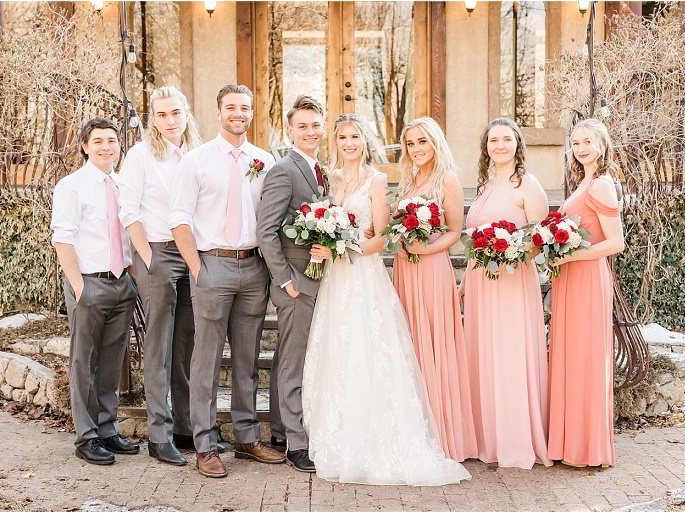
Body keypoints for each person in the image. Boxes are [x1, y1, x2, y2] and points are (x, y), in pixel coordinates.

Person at [302, 114, 471, 485]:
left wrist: (341, 247)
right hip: (334, 278)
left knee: (369, 350)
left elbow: (381, 238)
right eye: (342, 137)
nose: (349, 143)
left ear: (366, 140)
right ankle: (339, 432)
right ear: (335, 142)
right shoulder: (328, 179)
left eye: (355, 136)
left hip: (364, 273)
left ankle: (380, 437)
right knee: (338, 349)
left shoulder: (378, 180)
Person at [169, 84, 283, 478]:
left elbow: (271, 218)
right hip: (212, 265)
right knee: (207, 360)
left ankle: (247, 438)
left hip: (253, 268)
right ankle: (204, 444)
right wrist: (197, 269)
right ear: (218, 112)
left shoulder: (265, 161)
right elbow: (179, 220)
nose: (238, 113)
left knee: (247, 360)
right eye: (231, 107)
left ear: (252, 112)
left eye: (245, 107)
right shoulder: (196, 161)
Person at [459, 117, 552, 469]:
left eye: (506, 139)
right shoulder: (484, 186)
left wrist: (510, 253)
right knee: (484, 352)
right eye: (493, 140)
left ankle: (514, 439)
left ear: (517, 145)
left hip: (512, 281)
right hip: (481, 282)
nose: (499, 146)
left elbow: (539, 239)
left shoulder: (527, 185)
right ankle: (487, 437)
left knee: (510, 353)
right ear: (486, 147)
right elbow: (474, 240)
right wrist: (464, 283)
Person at [118, 86, 204, 466]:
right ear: (153, 118)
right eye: (162, 114)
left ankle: (184, 427)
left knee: (185, 344)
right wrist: (149, 260)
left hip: (193, 254)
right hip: (158, 253)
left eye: (175, 113)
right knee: (158, 347)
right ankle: (158, 435)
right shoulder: (141, 156)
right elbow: (128, 211)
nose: (170, 121)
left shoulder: (197, 154)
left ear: (186, 113)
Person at [51, 118, 139, 465]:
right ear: (85, 146)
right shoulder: (71, 186)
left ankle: (107, 429)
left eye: (111, 140)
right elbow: (63, 238)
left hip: (121, 283)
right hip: (89, 283)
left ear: (119, 146)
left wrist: (132, 280)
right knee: (84, 362)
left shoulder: (123, 185)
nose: (106, 147)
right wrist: (79, 286)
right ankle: (86, 437)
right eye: (98, 141)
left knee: (111, 361)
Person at [391, 117, 477, 462]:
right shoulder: (408, 181)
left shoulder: (447, 180)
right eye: (411, 143)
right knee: (410, 341)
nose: (416, 149)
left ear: (435, 142)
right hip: (404, 269)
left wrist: (423, 249)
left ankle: (441, 432)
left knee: (433, 343)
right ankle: (414, 427)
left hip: (430, 269)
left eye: (422, 141)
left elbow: (455, 232)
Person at [547, 118, 624, 468]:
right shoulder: (584, 182)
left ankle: (589, 449)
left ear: (602, 145)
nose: (580, 148)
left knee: (586, 357)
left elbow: (615, 242)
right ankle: (570, 444)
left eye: (587, 142)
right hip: (570, 277)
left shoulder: (602, 185)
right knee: (570, 356)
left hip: (588, 278)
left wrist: (572, 256)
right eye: (576, 143)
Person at [257, 95, 328, 473]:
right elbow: (266, 231)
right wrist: (286, 280)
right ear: (290, 130)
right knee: (293, 362)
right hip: (296, 284)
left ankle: (281, 432)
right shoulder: (283, 170)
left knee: (292, 357)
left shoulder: (319, 170)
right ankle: (297, 445)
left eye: (315, 125)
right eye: (303, 126)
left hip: (317, 280)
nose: (310, 131)